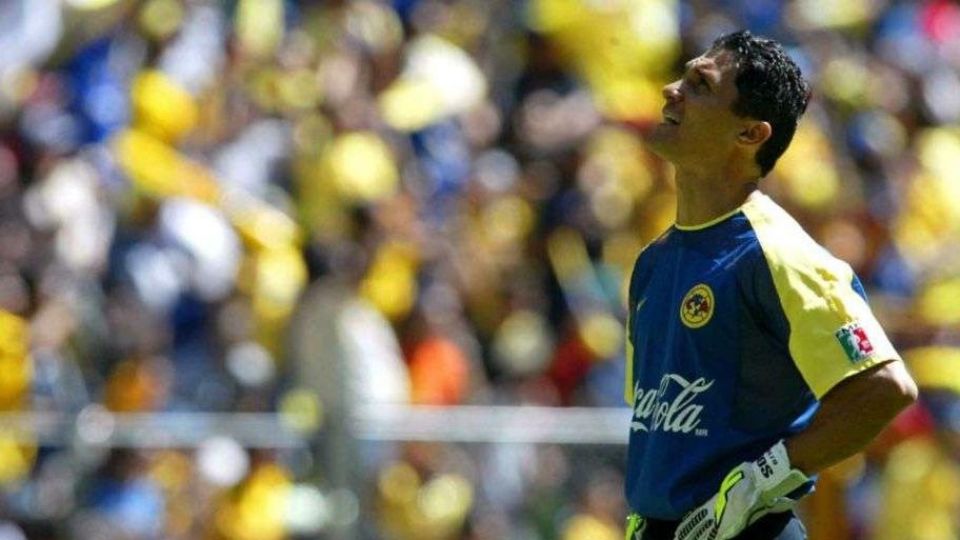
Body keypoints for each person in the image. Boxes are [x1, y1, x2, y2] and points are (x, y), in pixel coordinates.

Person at [622, 30, 918, 540]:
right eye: (682, 77)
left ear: (750, 134)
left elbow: (885, 387)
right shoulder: (654, 261)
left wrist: (761, 482)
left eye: (699, 85)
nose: (671, 90)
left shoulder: (778, 253)